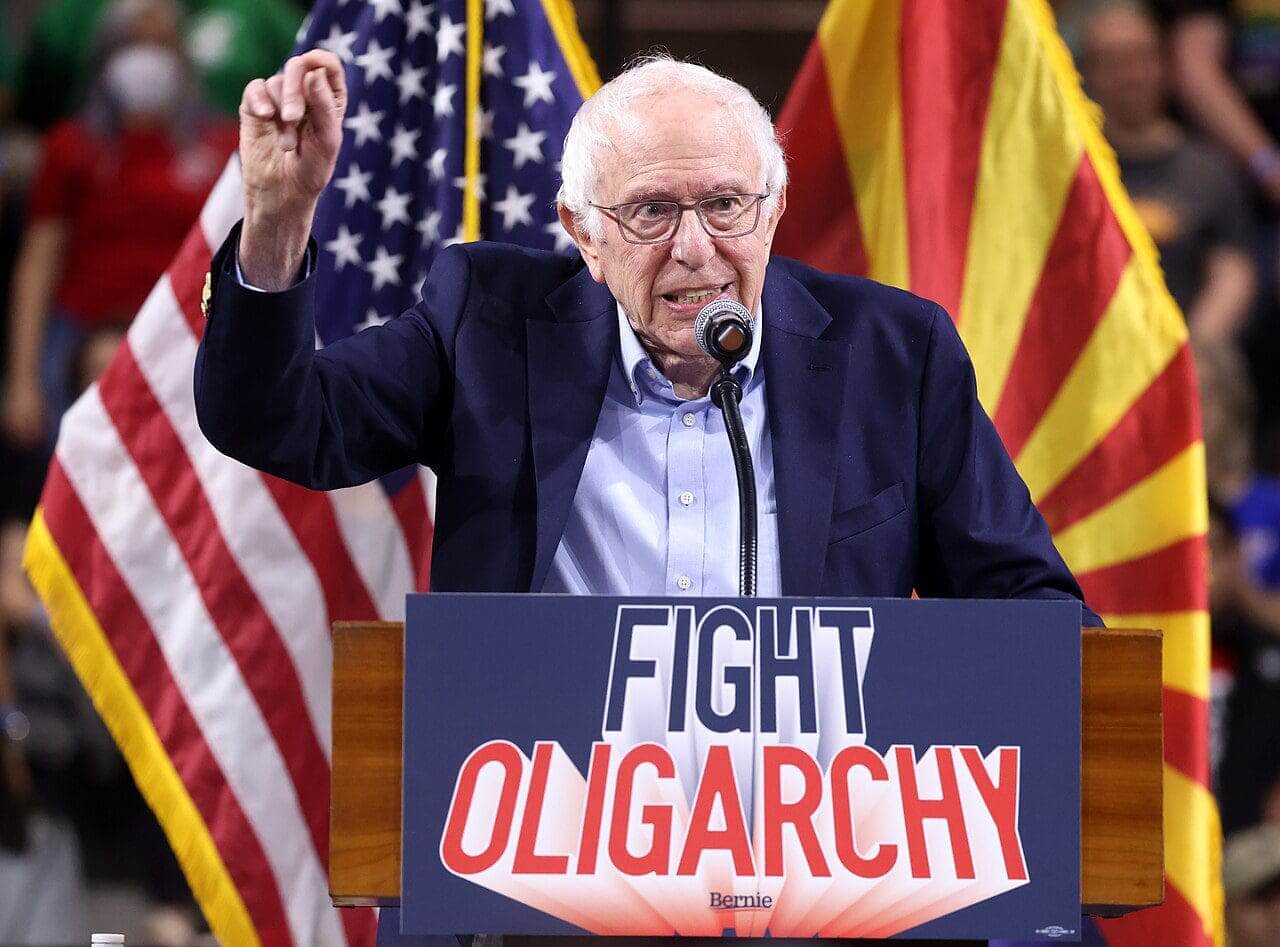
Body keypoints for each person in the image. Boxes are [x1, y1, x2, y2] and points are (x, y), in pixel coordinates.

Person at [194, 49, 1098, 615]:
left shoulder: (894, 355)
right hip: (549, 824)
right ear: (583, 234)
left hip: (810, 834)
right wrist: (278, 219)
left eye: (725, 204)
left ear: (775, 210)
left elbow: (1029, 606)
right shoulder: (488, 325)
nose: (695, 248)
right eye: (652, 211)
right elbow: (277, 419)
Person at [2, 0, 236, 449]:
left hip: (186, 332)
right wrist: (22, 379)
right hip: (79, 338)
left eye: (160, 44)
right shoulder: (71, 146)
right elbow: (38, 262)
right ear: (106, 53)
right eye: (133, 43)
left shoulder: (221, 145)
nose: (147, 58)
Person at [1081, 1, 1255, 344]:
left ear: (1164, 65)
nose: (1129, 76)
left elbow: (1233, 273)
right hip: (1094, 350)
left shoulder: (1209, 170)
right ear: (1088, 73)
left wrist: (1191, 348)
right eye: (1112, 62)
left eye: (1140, 58)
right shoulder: (1074, 172)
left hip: (1191, 350)